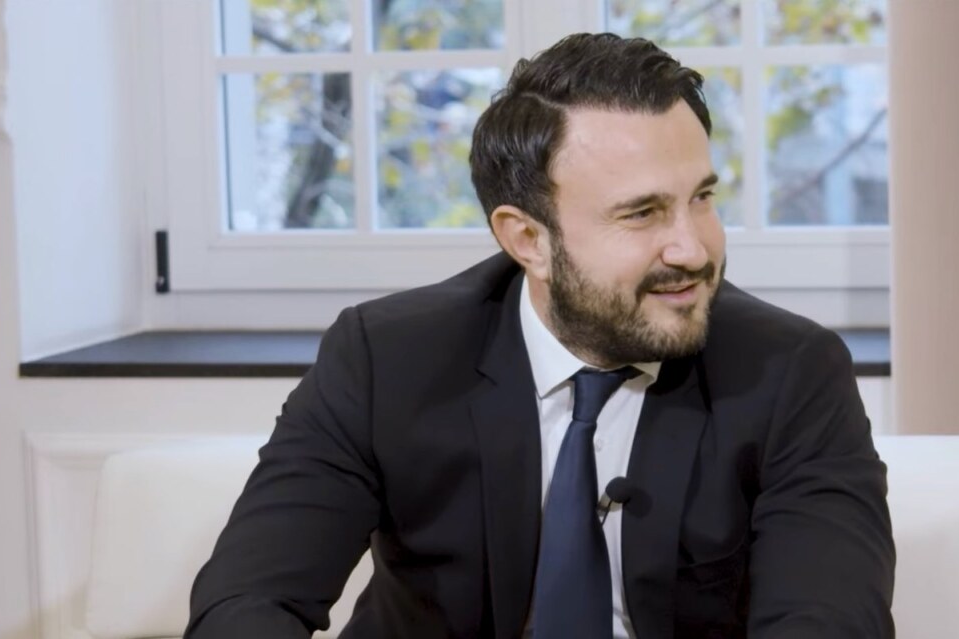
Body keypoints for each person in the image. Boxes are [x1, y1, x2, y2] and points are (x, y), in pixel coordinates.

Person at [186, 32, 895, 639]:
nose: (692, 248)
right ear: (527, 239)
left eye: (702, 198)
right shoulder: (386, 359)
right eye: (642, 213)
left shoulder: (790, 371)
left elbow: (827, 621)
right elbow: (246, 602)